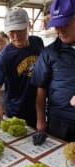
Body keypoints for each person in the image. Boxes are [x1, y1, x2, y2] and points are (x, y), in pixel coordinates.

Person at [0, 8, 44, 128]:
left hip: (39, 107)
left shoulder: (37, 42)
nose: (16, 36)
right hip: (16, 111)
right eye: (11, 31)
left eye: (20, 30)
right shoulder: (6, 55)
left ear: (29, 25)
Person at [32, 0, 75, 141]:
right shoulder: (49, 53)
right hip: (60, 122)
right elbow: (41, 88)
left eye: (65, 23)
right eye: (57, 25)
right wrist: (40, 120)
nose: (59, 29)